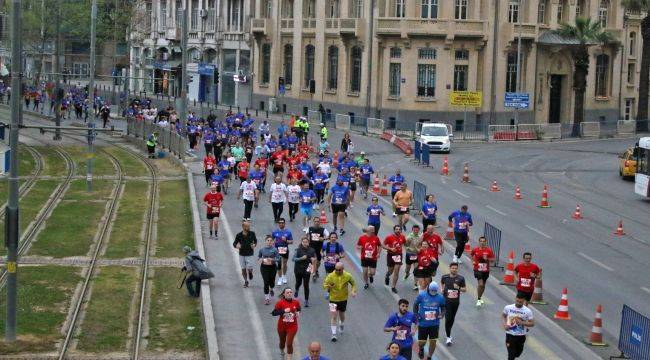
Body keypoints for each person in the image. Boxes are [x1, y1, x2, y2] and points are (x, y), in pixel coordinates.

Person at [323, 262, 357, 342]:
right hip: (333, 299)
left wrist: (353, 291)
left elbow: (354, 284)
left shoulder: (347, 276)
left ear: (343, 269)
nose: (337, 271)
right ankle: (334, 334)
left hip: (343, 299)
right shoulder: (330, 276)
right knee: (334, 316)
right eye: (336, 269)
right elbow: (324, 285)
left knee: (342, 315)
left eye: (339, 270)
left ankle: (342, 324)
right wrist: (328, 286)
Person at [414, 282, 446, 360]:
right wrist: (416, 315)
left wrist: (442, 315)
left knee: (433, 341)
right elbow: (415, 305)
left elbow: (443, 308)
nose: (433, 293)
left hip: (434, 324)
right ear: (428, 289)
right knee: (422, 342)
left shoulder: (440, 297)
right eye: (432, 291)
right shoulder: (422, 295)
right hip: (423, 324)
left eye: (434, 291)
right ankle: (421, 348)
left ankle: (429, 356)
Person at [271, 288, 302, 360]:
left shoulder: (296, 302)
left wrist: (298, 313)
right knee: (282, 341)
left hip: (292, 326)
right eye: (287, 292)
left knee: (289, 344)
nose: (289, 294)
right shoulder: (280, 303)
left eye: (291, 292)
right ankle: (282, 350)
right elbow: (274, 313)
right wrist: (283, 311)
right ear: (284, 294)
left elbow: (298, 309)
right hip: (282, 326)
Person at [502, 294, 535, 360]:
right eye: (517, 301)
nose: (518, 303)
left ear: (524, 301)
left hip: (521, 336)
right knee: (511, 355)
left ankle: (515, 354)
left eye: (520, 302)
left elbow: (532, 323)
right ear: (515, 298)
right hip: (510, 335)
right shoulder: (508, 307)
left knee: (517, 354)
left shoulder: (527, 311)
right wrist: (505, 324)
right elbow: (503, 316)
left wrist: (521, 322)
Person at [440, 262, 466, 346]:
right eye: (453, 268)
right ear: (450, 268)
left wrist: (458, 288)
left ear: (457, 269)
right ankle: (448, 337)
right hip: (446, 301)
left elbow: (464, 289)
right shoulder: (445, 277)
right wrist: (442, 289)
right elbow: (442, 283)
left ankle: (449, 331)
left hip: (455, 302)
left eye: (455, 268)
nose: (454, 269)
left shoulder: (461, 278)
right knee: (448, 318)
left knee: (452, 319)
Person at [470, 236, 495, 307]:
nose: (482, 242)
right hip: (477, 269)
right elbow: (471, 255)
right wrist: (473, 261)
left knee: (483, 285)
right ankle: (478, 299)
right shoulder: (475, 249)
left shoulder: (489, 250)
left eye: (484, 241)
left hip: (486, 270)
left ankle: (480, 298)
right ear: (479, 242)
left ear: (485, 242)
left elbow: (493, 260)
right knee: (480, 284)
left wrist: (487, 259)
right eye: (481, 241)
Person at [293, 236, 317, 306]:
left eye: (306, 242)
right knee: (298, 282)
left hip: (307, 269)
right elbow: (293, 259)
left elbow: (315, 259)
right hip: (298, 269)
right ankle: (297, 289)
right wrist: (301, 258)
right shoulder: (297, 250)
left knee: (306, 285)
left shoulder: (312, 250)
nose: (305, 243)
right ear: (301, 242)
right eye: (303, 242)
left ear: (308, 243)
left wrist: (313, 260)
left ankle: (306, 300)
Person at [233, 221, 258, 288]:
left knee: (249, 267)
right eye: (247, 226)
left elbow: (255, 241)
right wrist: (236, 246)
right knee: (243, 269)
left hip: (250, 254)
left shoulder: (252, 233)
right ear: (243, 227)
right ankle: (246, 281)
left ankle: (250, 272)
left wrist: (254, 245)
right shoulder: (239, 235)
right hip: (242, 254)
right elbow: (234, 243)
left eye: (249, 226)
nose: (248, 227)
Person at [383, 225, 406, 294]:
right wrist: (390, 249)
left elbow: (405, 244)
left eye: (399, 229)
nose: (398, 230)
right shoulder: (389, 237)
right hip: (390, 255)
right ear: (394, 230)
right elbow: (382, 245)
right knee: (390, 271)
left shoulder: (402, 237)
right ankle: (387, 276)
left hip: (398, 255)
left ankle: (393, 286)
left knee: (396, 271)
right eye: (396, 229)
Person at [259, 235, 280, 304]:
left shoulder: (275, 249)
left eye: (271, 241)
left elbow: (278, 259)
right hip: (264, 267)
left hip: (272, 267)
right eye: (268, 240)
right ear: (265, 241)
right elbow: (259, 258)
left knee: (272, 281)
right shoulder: (262, 250)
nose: (269, 242)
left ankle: (271, 288)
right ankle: (267, 298)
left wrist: (272, 259)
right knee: (266, 282)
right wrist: (261, 260)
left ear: (273, 242)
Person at [273, 218, 294, 285]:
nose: (281, 224)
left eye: (282, 223)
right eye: (280, 223)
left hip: (285, 249)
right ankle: (279, 278)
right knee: (279, 264)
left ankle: (284, 276)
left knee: (284, 264)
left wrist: (286, 240)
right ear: (278, 224)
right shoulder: (274, 232)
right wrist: (273, 243)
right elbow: (271, 241)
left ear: (284, 224)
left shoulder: (288, 232)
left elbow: (291, 241)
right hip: (277, 250)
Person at [307, 217, 329, 282]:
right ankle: (314, 274)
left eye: (318, 221)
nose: (316, 223)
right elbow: (306, 236)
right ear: (313, 222)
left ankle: (316, 270)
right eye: (315, 221)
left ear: (320, 222)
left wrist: (323, 238)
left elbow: (328, 236)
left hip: (319, 248)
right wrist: (307, 242)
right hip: (311, 248)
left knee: (318, 262)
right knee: (314, 260)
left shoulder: (323, 229)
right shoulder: (309, 229)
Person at [403, 224, 421, 291]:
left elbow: (421, 245)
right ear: (412, 230)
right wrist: (409, 248)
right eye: (414, 230)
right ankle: (407, 274)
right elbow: (405, 245)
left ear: (419, 230)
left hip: (416, 255)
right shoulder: (409, 237)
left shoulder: (420, 237)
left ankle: (415, 284)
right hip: (409, 254)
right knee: (407, 269)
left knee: (416, 270)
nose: (416, 231)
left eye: (417, 230)